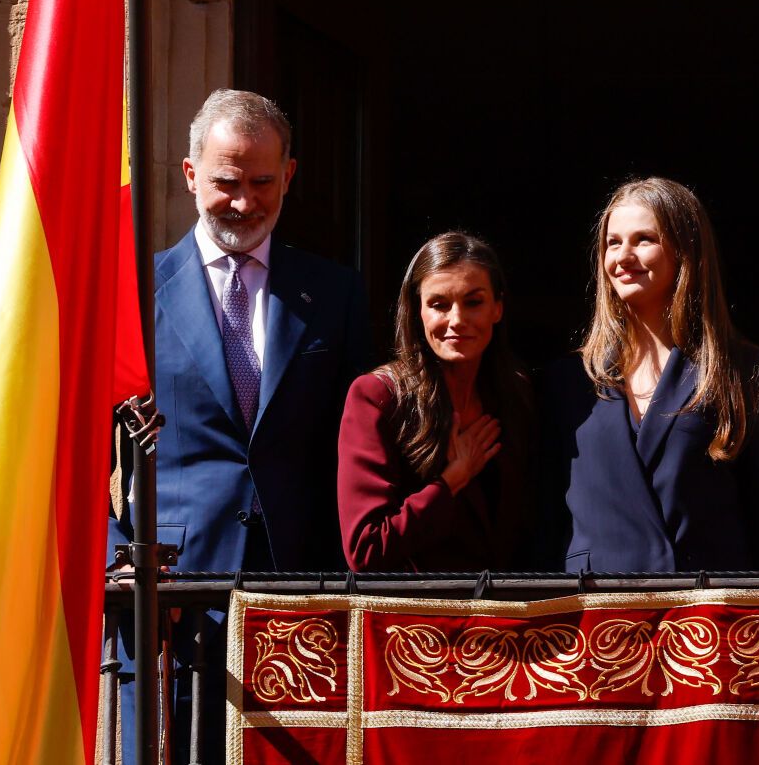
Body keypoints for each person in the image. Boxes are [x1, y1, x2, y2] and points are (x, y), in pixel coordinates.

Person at [113, 89, 369, 761]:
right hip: (171, 600)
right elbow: (80, 440)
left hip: (300, 595)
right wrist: (118, 557)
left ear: (288, 175)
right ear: (191, 173)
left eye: (262, 181)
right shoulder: (135, 290)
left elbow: (363, 441)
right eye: (227, 180)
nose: (244, 200)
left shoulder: (335, 294)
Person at [541, 176, 759, 573]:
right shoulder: (569, 380)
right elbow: (544, 522)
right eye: (613, 242)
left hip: (707, 616)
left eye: (644, 239)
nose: (623, 256)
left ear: (686, 252)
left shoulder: (742, 371)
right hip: (595, 617)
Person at [337, 232, 532, 571]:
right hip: (413, 619)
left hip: (504, 617)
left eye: (474, 302)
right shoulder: (378, 396)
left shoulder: (515, 393)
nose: (457, 320)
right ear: (417, 313)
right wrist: (451, 482)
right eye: (439, 304)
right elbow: (365, 549)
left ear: (497, 307)